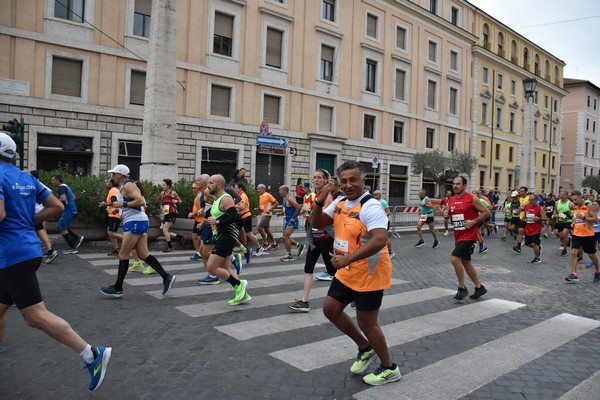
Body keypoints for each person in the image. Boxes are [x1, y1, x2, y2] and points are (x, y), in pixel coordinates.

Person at [0, 132, 111, 391]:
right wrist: (27, 222)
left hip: (11, 254)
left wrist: (17, 223)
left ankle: (91, 353)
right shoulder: (25, 177)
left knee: (35, 316)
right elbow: (55, 207)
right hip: (25, 250)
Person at [310, 161, 400, 386]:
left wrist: (347, 258)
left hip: (370, 272)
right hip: (347, 269)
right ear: (338, 183)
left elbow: (380, 240)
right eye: (344, 181)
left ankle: (389, 368)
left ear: (363, 181)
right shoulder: (340, 201)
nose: (349, 185)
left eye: (353, 180)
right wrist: (320, 201)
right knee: (330, 309)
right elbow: (318, 223)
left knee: (367, 323)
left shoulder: (371, 206)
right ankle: (365, 348)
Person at [100, 165, 176, 298]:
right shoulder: (126, 186)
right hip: (138, 221)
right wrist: (120, 209)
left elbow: (140, 201)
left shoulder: (128, 185)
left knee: (123, 254)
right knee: (143, 254)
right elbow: (133, 202)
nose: (112, 176)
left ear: (120, 175)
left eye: (114, 174)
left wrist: (122, 205)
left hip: (134, 222)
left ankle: (118, 288)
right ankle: (166, 277)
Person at [288, 169, 336, 312]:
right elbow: (313, 216)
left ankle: (352, 295)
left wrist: (308, 211)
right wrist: (306, 211)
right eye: (314, 177)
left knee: (333, 272)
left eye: (319, 178)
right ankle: (304, 302)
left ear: (326, 180)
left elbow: (323, 219)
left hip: (326, 239)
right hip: (314, 239)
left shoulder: (327, 196)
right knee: (308, 268)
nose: (316, 180)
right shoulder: (316, 196)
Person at [204, 174, 249, 305]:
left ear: (218, 185)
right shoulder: (217, 200)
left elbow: (235, 217)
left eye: (211, 183)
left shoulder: (226, 199)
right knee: (225, 267)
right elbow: (219, 217)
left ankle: (239, 284)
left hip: (227, 237)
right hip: (221, 236)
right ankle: (243, 295)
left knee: (211, 267)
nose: (208, 185)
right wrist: (208, 221)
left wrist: (217, 221)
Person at [445, 176, 489, 301]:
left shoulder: (472, 198)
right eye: (453, 183)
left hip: (469, 235)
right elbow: (449, 214)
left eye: (458, 184)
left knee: (455, 259)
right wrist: (446, 214)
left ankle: (462, 288)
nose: (455, 186)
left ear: (465, 185)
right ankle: (479, 288)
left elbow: (486, 212)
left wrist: (474, 221)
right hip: (458, 235)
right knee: (465, 262)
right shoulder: (451, 199)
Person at [565, 191, 600, 283]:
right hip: (577, 233)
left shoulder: (589, 206)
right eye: (573, 200)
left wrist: (584, 218)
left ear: (581, 197)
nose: (574, 202)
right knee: (573, 252)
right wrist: (574, 223)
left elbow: (595, 220)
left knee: (591, 254)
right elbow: (577, 219)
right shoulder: (575, 207)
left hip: (588, 235)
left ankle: (597, 270)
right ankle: (574, 274)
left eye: (576, 199)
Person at [29, 170, 58, 264]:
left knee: (40, 230)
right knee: (40, 230)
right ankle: (49, 250)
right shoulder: (35, 183)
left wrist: (42, 204)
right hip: (37, 211)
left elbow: (49, 192)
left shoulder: (36, 183)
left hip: (36, 212)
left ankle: (50, 250)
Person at [51, 174, 84, 254]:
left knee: (61, 227)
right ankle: (77, 238)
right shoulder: (66, 186)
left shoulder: (61, 188)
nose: (52, 182)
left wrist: (53, 202)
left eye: (53, 180)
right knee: (61, 226)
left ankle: (73, 247)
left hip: (69, 210)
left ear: (57, 180)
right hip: (70, 209)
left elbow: (63, 198)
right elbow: (74, 197)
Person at [234, 183, 261, 264]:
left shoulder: (243, 196)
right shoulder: (239, 196)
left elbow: (242, 207)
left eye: (235, 188)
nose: (234, 189)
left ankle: (259, 247)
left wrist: (232, 205)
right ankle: (245, 247)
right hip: (241, 217)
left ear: (240, 188)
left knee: (249, 233)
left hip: (246, 216)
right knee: (235, 231)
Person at [158, 178, 186, 253]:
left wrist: (176, 201)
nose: (162, 186)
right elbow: (162, 203)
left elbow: (180, 201)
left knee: (165, 229)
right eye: (162, 185)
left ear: (168, 186)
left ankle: (170, 247)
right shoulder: (162, 193)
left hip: (172, 212)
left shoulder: (173, 193)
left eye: (164, 185)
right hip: (166, 212)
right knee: (165, 230)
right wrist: (158, 200)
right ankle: (181, 237)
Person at [278, 185, 305, 262]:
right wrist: (280, 213)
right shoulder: (286, 199)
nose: (279, 192)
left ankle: (289, 255)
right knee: (286, 237)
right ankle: (299, 245)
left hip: (292, 221)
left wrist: (294, 217)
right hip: (288, 220)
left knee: (285, 237)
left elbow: (298, 207)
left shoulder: (290, 199)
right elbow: (288, 210)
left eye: (280, 190)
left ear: (285, 191)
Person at [99, 178, 122, 257]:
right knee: (110, 232)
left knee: (111, 233)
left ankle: (128, 240)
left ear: (111, 183)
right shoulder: (113, 190)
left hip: (114, 215)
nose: (106, 183)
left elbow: (114, 203)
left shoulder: (113, 191)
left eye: (108, 182)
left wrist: (104, 204)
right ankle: (116, 249)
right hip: (112, 214)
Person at [523, 194, 546, 264]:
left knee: (534, 244)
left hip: (536, 229)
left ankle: (537, 258)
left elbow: (545, 218)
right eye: (529, 200)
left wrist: (538, 218)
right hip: (528, 228)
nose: (530, 201)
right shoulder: (526, 207)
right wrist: (524, 218)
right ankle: (538, 247)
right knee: (527, 243)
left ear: (536, 200)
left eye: (532, 200)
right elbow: (525, 215)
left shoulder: (540, 208)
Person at [256, 184, 278, 252]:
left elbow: (276, 203)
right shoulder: (261, 196)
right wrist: (259, 209)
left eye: (258, 189)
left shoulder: (268, 195)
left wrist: (270, 210)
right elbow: (264, 207)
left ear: (263, 189)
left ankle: (266, 243)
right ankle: (274, 243)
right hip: (263, 214)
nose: (257, 190)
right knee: (267, 230)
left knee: (259, 228)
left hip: (267, 215)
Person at [373, 190, 394, 258]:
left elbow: (388, 212)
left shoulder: (383, 202)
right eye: (374, 194)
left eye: (376, 194)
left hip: (385, 222)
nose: (374, 196)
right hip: (378, 222)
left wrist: (380, 216)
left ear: (379, 195)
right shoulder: (375, 201)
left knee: (385, 238)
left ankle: (390, 252)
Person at [553, 190, 574, 256]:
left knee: (564, 234)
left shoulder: (570, 204)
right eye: (560, 194)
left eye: (563, 195)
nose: (561, 196)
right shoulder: (557, 202)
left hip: (568, 221)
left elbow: (574, 212)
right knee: (558, 235)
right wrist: (555, 215)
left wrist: (569, 215)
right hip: (559, 220)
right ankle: (567, 241)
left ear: (567, 196)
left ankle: (564, 250)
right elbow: (555, 210)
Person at [188, 182, 204, 262]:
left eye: (192, 188)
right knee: (194, 236)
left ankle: (202, 253)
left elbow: (200, 210)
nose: (192, 189)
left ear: (195, 188)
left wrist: (191, 214)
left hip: (200, 220)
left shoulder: (199, 196)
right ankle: (199, 253)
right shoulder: (197, 196)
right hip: (197, 220)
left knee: (199, 238)